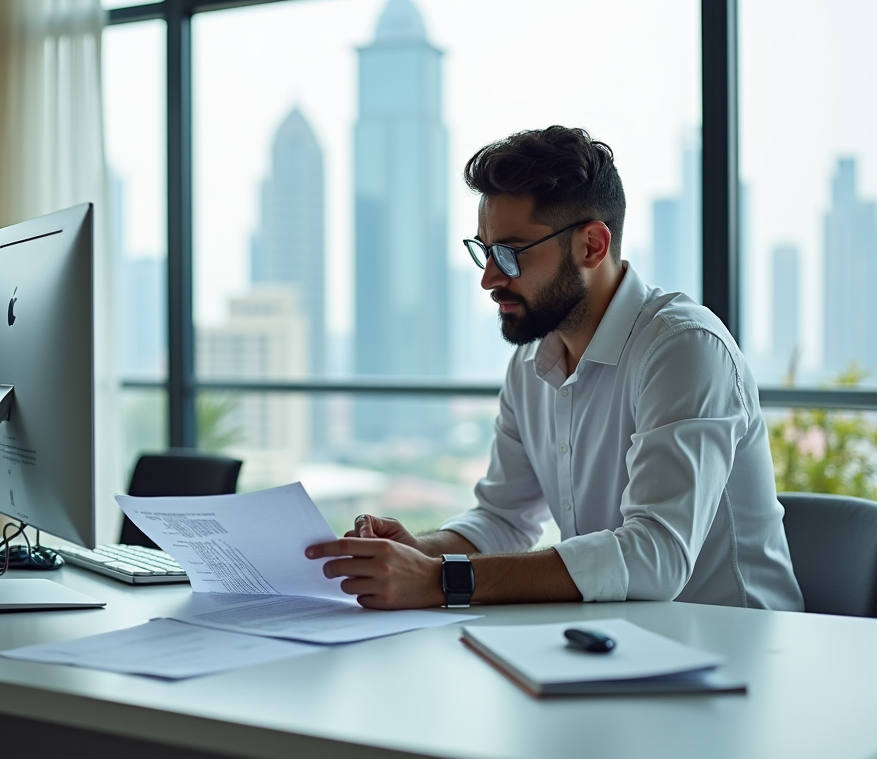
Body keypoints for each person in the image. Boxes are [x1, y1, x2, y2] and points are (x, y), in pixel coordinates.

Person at [306, 126, 804, 612]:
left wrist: (441, 580)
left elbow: (656, 556)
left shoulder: (684, 347)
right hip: (616, 645)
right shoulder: (530, 363)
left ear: (592, 245)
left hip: (739, 653)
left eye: (511, 253)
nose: (488, 278)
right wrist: (423, 552)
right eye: (484, 250)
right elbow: (503, 518)